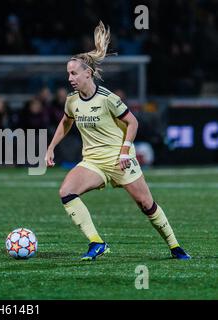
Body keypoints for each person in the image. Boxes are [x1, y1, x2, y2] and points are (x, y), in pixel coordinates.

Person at [45, 22, 191, 261]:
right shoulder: (72, 101)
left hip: (120, 159)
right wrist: (51, 148)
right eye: (68, 73)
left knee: (146, 204)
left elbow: (133, 123)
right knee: (66, 192)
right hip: (93, 161)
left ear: (87, 73)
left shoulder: (107, 98)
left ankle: (174, 246)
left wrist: (124, 152)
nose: (69, 77)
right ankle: (97, 243)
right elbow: (65, 122)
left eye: (73, 73)